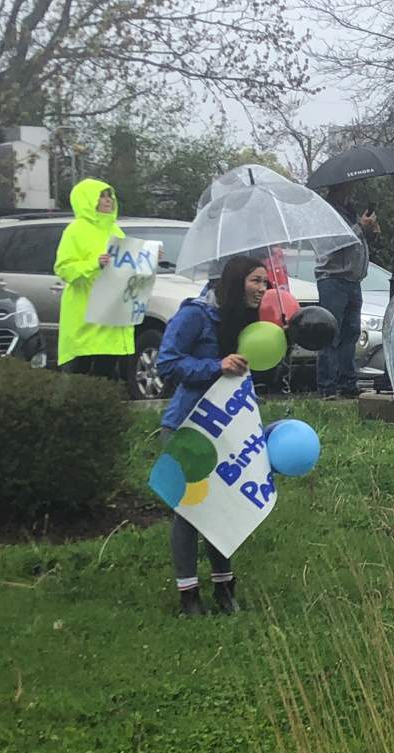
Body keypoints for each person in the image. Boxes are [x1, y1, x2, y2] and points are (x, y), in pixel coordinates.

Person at [156, 255, 269, 615]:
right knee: (189, 512)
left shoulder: (245, 321)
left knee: (223, 508)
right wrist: (215, 366)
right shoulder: (195, 314)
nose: (262, 289)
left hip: (228, 427)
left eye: (265, 282)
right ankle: (188, 594)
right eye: (256, 281)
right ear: (237, 282)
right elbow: (167, 363)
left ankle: (224, 587)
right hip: (188, 427)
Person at [53, 179, 135, 378]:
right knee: (82, 375)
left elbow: (126, 266)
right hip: (86, 315)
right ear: (88, 199)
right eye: (102, 196)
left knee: (105, 374)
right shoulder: (75, 230)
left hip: (111, 315)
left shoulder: (115, 230)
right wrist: (94, 264)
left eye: (109, 196)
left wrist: (148, 259)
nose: (107, 201)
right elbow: (64, 268)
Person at [314, 181, 379, 399]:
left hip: (353, 280)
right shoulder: (327, 212)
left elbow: (355, 242)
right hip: (333, 279)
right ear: (339, 187)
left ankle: (348, 381)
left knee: (350, 334)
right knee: (330, 333)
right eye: (348, 187)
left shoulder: (348, 212)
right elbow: (337, 242)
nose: (351, 190)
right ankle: (327, 386)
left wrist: (369, 232)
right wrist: (360, 227)